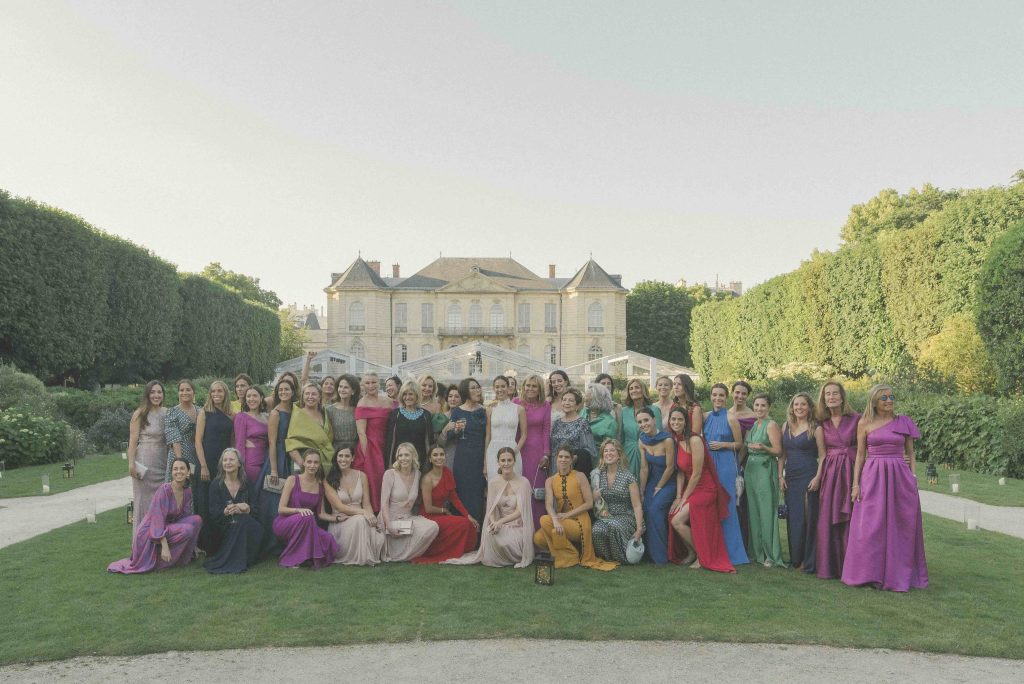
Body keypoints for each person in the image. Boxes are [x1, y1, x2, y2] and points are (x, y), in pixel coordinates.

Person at [842, 385, 928, 592]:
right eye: (884, 398)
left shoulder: (903, 421)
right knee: (870, 526)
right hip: (873, 475)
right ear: (874, 402)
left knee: (901, 524)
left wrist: (913, 476)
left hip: (900, 476)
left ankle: (897, 573)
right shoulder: (864, 423)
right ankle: (868, 574)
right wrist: (856, 484)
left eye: (891, 397)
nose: (889, 401)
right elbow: (860, 456)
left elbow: (911, 453)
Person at [666, 407, 734, 573]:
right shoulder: (675, 440)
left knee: (677, 521)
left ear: (686, 422)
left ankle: (700, 555)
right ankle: (691, 552)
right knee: (673, 517)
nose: (676, 422)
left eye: (679, 419)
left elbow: (696, 474)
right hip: (692, 488)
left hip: (705, 488)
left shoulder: (694, 440)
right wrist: (677, 496)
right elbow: (681, 472)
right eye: (673, 419)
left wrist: (684, 499)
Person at [109, 457, 202, 574]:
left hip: (168, 525)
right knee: (187, 529)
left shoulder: (187, 491)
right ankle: (162, 563)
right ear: (172, 472)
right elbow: (157, 519)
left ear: (188, 472)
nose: (179, 471)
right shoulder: (165, 490)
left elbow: (185, 517)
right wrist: (165, 546)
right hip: (150, 530)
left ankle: (184, 558)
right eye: (175, 469)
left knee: (197, 520)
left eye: (182, 468)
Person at [447, 447, 535, 568]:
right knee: (491, 534)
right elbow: (491, 510)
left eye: (509, 460)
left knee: (507, 543)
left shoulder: (524, 482)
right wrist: (494, 523)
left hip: (517, 525)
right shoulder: (493, 483)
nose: (506, 463)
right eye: (503, 460)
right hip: (499, 524)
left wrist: (501, 522)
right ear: (498, 462)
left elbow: (521, 511)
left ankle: (513, 554)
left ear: (514, 461)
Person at [534, 446, 616, 570]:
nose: (563, 460)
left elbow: (589, 503)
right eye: (560, 457)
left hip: (579, 522)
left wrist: (566, 515)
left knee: (545, 520)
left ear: (572, 460)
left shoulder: (580, 476)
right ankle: (570, 552)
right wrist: (555, 520)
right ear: (556, 459)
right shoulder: (550, 480)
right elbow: (548, 505)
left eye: (567, 457)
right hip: (561, 521)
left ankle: (568, 556)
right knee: (538, 538)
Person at [814, 381, 860, 579]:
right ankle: (830, 566)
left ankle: (852, 567)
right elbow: (822, 454)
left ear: (842, 397)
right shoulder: (821, 424)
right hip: (831, 474)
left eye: (835, 393)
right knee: (828, 516)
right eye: (827, 394)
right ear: (823, 399)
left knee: (853, 517)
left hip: (851, 470)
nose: (831, 397)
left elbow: (867, 448)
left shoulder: (857, 419)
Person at [704, 383, 750, 566]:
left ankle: (733, 553)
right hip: (708, 465)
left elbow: (740, 444)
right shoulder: (706, 417)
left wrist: (723, 445)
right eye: (714, 395)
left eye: (721, 395)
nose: (717, 398)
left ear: (726, 397)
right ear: (710, 396)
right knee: (711, 506)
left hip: (725, 465)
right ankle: (712, 549)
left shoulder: (732, 419)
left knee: (728, 507)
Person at [272, 449, 338, 568]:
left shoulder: (319, 485)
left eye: (316, 462)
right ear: (303, 463)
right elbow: (281, 509)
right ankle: (291, 559)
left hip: (308, 524)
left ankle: (306, 558)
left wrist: (338, 518)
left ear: (319, 464)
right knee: (307, 516)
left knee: (327, 538)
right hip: (285, 523)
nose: (312, 465)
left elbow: (321, 514)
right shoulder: (292, 480)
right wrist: (299, 510)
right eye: (309, 462)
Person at [414, 445, 480, 563]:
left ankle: (461, 550)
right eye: (435, 455)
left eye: (441, 454)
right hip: (428, 516)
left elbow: (454, 498)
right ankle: (447, 552)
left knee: (467, 522)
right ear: (430, 459)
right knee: (462, 524)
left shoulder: (447, 472)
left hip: (440, 514)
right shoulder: (427, 479)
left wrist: (468, 515)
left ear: (445, 456)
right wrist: (444, 511)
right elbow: (428, 508)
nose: (439, 457)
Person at [781, 392, 823, 573]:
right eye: (796, 404)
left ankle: (808, 560)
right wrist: (779, 476)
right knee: (794, 518)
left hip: (809, 474)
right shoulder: (786, 426)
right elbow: (782, 454)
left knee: (808, 517)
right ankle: (795, 559)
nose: (799, 407)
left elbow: (823, 456)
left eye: (803, 405)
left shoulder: (816, 428)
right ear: (792, 407)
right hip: (790, 476)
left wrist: (818, 477)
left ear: (809, 407)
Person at [203, 448, 264, 574]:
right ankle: (236, 560)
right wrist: (225, 511)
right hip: (225, 528)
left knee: (244, 519)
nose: (228, 462)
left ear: (239, 463)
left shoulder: (246, 483)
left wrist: (246, 508)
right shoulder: (216, 484)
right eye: (225, 460)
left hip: (247, 527)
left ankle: (240, 558)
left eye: (231, 459)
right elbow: (213, 513)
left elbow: (256, 510)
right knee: (242, 520)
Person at [323, 446, 385, 566]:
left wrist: (372, 517)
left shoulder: (362, 476)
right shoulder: (328, 480)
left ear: (352, 458)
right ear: (336, 458)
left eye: (347, 456)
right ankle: (361, 558)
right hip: (341, 521)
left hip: (361, 516)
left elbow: (366, 504)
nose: (343, 459)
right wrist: (363, 513)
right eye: (340, 456)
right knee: (360, 520)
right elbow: (340, 507)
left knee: (377, 529)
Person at [379, 443, 439, 562]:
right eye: (400, 455)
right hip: (389, 518)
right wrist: (389, 525)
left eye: (406, 455)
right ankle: (395, 553)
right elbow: (384, 503)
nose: (403, 458)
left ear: (413, 456)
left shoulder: (418, 474)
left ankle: (405, 556)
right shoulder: (390, 474)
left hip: (408, 517)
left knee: (433, 527)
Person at [744, 394, 784, 567]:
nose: (759, 409)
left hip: (765, 469)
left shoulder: (771, 425)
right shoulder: (754, 424)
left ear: (769, 407)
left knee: (767, 511)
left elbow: (778, 451)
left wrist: (764, 447)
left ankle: (770, 554)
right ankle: (758, 551)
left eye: (763, 406)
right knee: (754, 511)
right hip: (750, 470)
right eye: (757, 405)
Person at [256, 377, 296, 557]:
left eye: (287, 389)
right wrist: (273, 469)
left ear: (293, 391)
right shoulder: (275, 413)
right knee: (274, 502)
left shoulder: (295, 409)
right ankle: (272, 544)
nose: (284, 393)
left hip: (292, 456)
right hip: (278, 458)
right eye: (281, 390)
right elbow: (271, 443)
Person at [194, 379, 234, 551]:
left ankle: (222, 542)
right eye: (213, 391)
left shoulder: (231, 414)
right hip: (206, 461)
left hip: (224, 463)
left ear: (225, 393)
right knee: (204, 502)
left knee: (221, 501)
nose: (216, 394)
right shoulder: (204, 412)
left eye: (220, 391)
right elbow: (197, 441)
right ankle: (205, 544)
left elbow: (231, 441)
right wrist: (202, 465)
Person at [590, 439, 642, 565]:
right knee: (596, 530)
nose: (608, 453)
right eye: (605, 451)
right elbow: (589, 500)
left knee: (614, 525)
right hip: (605, 516)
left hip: (626, 516)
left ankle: (623, 558)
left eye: (612, 450)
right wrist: (593, 496)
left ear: (619, 454)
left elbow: (637, 505)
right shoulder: (598, 475)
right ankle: (608, 559)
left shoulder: (628, 476)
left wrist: (640, 529)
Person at [128, 381, 167, 533]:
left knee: (161, 500)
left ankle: (160, 539)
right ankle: (141, 542)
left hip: (162, 461)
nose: (156, 395)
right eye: (153, 392)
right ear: (147, 394)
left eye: (159, 392)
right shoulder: (140, 413)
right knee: (143, 502)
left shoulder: (167, 413)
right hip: (144, 462)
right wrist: (131, 464)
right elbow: (132, 441)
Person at [638, 407, 675, 564]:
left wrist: (659, 487)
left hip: (668, 482)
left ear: (654, 419)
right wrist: (642, 491)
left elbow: (671, 467)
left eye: (646, 420)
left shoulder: (667, 440)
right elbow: (644, 468)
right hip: (652, 481)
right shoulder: (642, 440)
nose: (643, 424)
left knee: (655, 510)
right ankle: (647, 553)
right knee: (645, 508)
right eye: (640, 422)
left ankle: (661, 556)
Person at [513, 374, 551, 528]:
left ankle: (537, 534)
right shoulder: (515, 402)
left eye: (534, 386)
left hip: (537, 453)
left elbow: (546, 430)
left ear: (540, 389)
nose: (530, 388)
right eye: (528, 385)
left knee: (536, 492)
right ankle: (519, 532)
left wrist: (546, 454)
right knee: (519, 490)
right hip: (518, 451)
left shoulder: (545, 405)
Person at [449, 377, 488, 523]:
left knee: (477, 496)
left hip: (479, 458)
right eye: (473, 388)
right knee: (461, 494)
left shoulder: (485, 410)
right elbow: (450, 435)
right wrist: (456, 430)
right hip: (462, 459)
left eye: (478, 387)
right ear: (466, 391)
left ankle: (476, 537)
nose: (477, 390)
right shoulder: (458, 411)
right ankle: (461, 531)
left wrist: (485, 461)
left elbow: (488, 437)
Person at [355, 372, 393, 512]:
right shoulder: (362, 403)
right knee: (374, 480)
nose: (371, 385)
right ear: (363, 385)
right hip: (371, 447)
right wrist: (366, 457)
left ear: (379, 383)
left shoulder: (388, 401)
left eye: (374, 382)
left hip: (387, 444)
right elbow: (361, 432)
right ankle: (376, 512)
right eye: (367, 383)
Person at [285, 382, 334, 477]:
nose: (310, 396)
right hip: (303, 460)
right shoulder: (298, 414)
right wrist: (302, 463)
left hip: (323, 460)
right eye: (307, 394)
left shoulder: (324, 413)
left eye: (314, 394)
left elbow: (328, 438)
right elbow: (291, 443)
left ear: (319, 397)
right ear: (302, 396)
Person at [729, 380, 756, 550]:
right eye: (737, 392)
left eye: (743, 394)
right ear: (732, 393)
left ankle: (743, 544)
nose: (739, 396)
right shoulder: (726, 413)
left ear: (747, 396)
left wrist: (737, 464)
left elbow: (746, 444)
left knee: (741, 502)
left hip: (742, 462)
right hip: (726, 460)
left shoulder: (752, 416)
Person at [385, 380, 434, 471]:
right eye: (404, 394)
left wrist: (429, 464)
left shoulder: (426, 415)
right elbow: (390, 441)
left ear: (417, 395)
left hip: (420, 462)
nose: (407, 397)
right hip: (399, 461)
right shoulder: (395, 414)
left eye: (411, 394)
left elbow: (429, 441)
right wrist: (389, 464)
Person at [484, 376, 527, 478]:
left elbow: (524, 434)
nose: (500, 389)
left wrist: (515, 451)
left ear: (508, 388)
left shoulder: (519, 409)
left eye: (503, 386)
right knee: (495, 485)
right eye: (497, 387)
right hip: (493, 452)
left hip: (513, 450)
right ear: (494, 389)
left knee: (514, 486)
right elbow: (488, 436)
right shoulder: (490, 409)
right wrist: (485, 461)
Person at [549, 388, 596, 475]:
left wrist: (572, 459)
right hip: (555, 468)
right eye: (564, 400)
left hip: (574, 469)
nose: (566, 403)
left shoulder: (582, 423)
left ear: (577, 405)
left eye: (571, 400)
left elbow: (590, 450)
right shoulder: (557, 423)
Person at [621, 378, 662, 479]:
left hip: (648, 451)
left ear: (643, 390)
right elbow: (621, 435)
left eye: (637, 387)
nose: (634, 390)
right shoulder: (623, 411)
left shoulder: (654, 409)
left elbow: (659, 434)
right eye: (631, 388)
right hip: (627, 453)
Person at [164, 379, 200, 483]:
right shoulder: (172, 412)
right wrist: (180, 462)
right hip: (178, 453)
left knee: (192, 484)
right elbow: (174, 438)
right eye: (181, 390)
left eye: (188, 390)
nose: (184, 392)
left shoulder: (200, 410)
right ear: (178, 393)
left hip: (195, 454)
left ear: (193, 392)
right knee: (178, 483)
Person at [233, 386, 269, 484]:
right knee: (253, 491)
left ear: (261, 398)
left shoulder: (267, 416)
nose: (251, 399)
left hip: (267, 459)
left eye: (254, 396)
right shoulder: (241, 417)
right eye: (248, 396)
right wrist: (240, 468)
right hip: (251, 461)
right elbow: (239, 444)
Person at [326, 374, 360, 456]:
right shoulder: (329, 410)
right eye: (340, 386)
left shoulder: (358, 409)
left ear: (353, 391)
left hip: (355, 451)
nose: (342, 390)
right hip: (336, 451)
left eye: (346, 387)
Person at [436, 384, 462, 470]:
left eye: (456, 396)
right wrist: (445, 430)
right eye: (450, 396)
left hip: (462, 456)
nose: (453, 399)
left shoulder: (466, 416)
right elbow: (438, 443)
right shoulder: (442, 417)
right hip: (447, 457)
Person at [584, 383, 619, 447]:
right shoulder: (583, 412)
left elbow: (608, 447)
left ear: (596, 398)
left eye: (586, 396)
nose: (584, 398)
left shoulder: (610, 422)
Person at [594, 373, 623, 438]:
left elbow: (619, 431)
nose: (606, 386)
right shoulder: (591, 406)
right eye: (603, 383)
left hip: (611, 444)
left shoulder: (617, 407)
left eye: (609, 383)